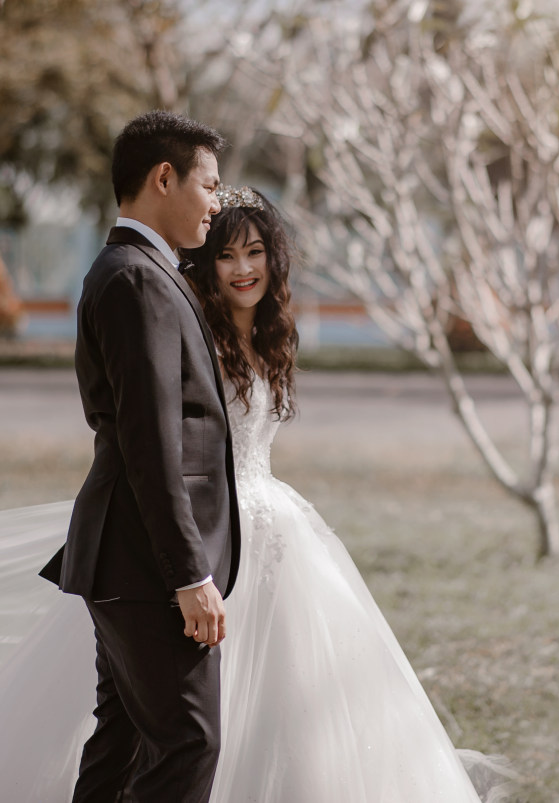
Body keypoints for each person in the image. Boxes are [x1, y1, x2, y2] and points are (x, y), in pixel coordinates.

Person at [179, 186, 516, 802]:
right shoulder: (198, 335)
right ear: (208, 262)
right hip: (218, 526)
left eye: (255, 252)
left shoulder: (277, 334)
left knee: (301, 688)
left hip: (278, 525)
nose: (244, 268)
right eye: (227, 256)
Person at [39, 111, 241, 803]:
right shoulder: (135, 280)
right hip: (147, 564)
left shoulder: (143, 270)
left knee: (123, 741)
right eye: (209, 184)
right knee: (190, 742)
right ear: (164, 177)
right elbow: (149, 441)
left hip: (128, 556)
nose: (218, 202)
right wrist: (189, 573)